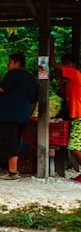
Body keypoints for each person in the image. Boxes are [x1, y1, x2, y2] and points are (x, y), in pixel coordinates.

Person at [0, 53, 38, 181]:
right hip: (21, 115)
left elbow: (1, 88)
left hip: (8, 115)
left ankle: (12, 172)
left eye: (10, 62)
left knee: (9, 143)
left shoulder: (13, 74)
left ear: (17, 63)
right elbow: (34, 100)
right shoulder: (31, 78)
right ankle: (12, 170)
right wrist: (27, 114)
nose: (7, 65)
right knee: (15, 141)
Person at [49, 38, 81, 182]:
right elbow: (65, 97)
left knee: (74, 146)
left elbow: (52, 63)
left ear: (74, 65)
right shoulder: (70, 81)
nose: (66, 67)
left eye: (68, 64)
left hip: (79, 115)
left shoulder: (75, 74)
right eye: (65, 65)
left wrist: (50, 44)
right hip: (75, 116)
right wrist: (60, 84)